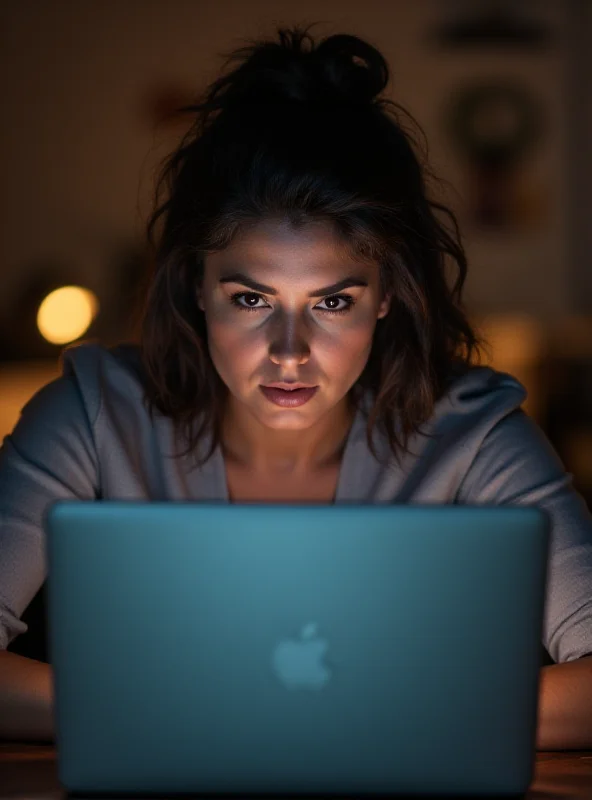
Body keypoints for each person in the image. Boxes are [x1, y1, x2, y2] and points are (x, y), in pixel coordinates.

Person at [0, 24, 591, 749]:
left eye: (333, 302)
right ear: (196, 287)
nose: (290, 353)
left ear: (386, 295)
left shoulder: (472, 433)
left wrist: (290, 712)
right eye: (251, 299)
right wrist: (231, 713)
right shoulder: (91, 416)